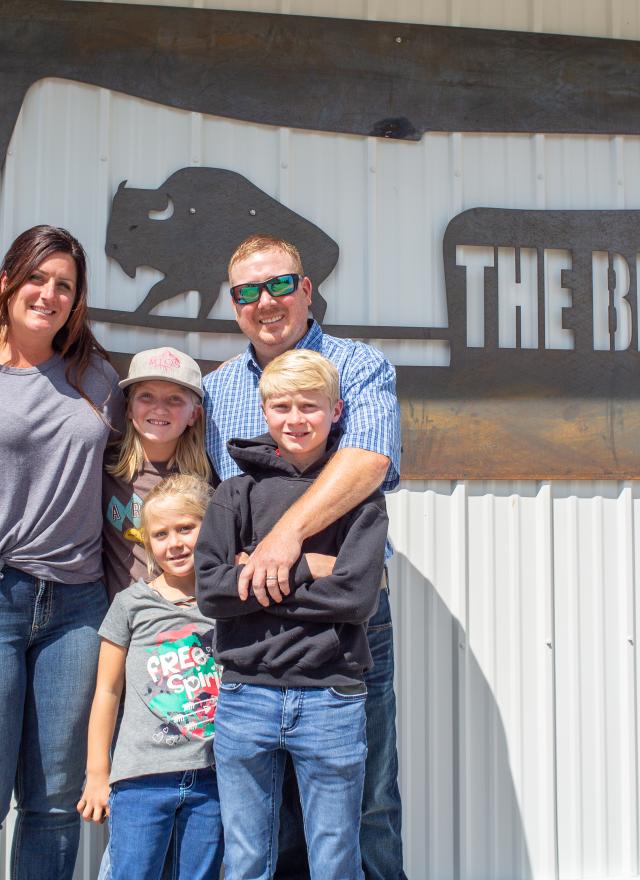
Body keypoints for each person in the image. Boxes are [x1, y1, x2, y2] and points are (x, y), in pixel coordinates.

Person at [203, 234, 405, 880]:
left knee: (365, 806)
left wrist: (283, 538)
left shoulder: (358, 366)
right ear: (234, 306)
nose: (266, 302)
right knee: (267, 824)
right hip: (253, 629)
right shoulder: (216, 391)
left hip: (346, 623)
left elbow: (368, 461)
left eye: (280, 285)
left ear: (308, 289)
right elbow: (216, 509)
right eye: (247, 292)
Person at [0, 225, 124, 880]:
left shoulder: (97, 378)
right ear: (7, 283)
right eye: (36, 279)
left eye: (64, 286)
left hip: (78, 609)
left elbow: (142, 471)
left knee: (53, 802)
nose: (48, 294)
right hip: (2, 596)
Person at [78, 474, 224, 880]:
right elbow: (107, 692)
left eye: (186, 529)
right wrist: (97, 774)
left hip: (211, 779)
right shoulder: (131, 605)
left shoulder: (225, 603)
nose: (174, 542)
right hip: (140, 781)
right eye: (161, 534)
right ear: (147, 543)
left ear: (209, 529)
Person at [103, 345, 212, 601]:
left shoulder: (206, 480)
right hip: (122, 621)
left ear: (194, 414)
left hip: (186, 622)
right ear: (129, 409)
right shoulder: (103, 469)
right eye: (146, 396)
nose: (159, 408)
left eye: (174, 399)